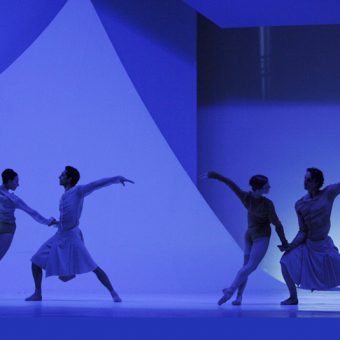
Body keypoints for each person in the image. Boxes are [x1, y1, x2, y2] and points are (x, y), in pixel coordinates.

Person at [25, 166, 134, 302]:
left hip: (72, 236)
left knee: (93, 266)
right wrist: (56, 223)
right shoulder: (64, 195)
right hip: (60, 235)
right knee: (35, 261)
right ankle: (38, 294)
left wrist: (116, 179)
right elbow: (67, 218)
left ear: (69, 178)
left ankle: (113, 292)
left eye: (63, 175)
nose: (59, 177)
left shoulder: (78, 191)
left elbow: (96, 184)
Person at [206, 171, 289, 305]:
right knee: (248, 267)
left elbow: (277, 224)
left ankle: (237, 296)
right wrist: (215, 176)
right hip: (253, 236)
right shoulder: (249, 198)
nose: (269, 188)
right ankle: (231, 292)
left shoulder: (262, 202)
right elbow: (230, 184)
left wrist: (284, 242)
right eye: (267, 186)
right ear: (259, 188)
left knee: (246, 268)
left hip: (257, 236)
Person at [280, 167, 340, 305]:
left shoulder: (328, 193)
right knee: (285, 262)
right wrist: (290, 246)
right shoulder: (300, 204)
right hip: (308, 246)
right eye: (305, 179)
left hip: (324, 246)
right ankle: (293, 297)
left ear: (317, 182)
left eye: (309, 180)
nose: (305, 182)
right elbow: (302, 231)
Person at [0, 169, 56, 261]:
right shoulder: (13, 199)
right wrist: (48, 222)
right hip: (7, 228)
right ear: (9, 181)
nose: (18, 184)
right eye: (16, 181)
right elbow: (32, 213)